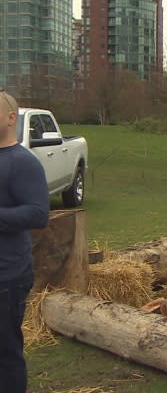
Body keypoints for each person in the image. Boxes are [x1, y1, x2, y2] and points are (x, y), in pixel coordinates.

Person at [0, 89, 49, 393]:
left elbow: (37, 214)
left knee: (5, 353)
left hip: (7, 276)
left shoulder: (23, 162)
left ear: (9, 117)